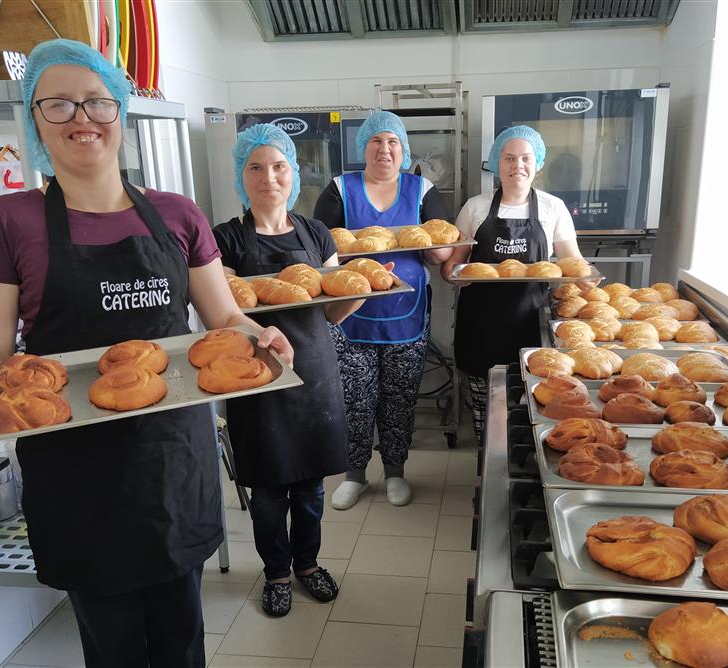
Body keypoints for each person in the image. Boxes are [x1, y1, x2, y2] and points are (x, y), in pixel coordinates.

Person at [0, 40, 293, 667]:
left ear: (120, 113)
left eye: (97, 102)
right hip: (73, 463)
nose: (81, 119)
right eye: (59, 104)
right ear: (34, 117)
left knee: (181, 633)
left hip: (171, 453)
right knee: (111, 640)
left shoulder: (177, 214)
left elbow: (221, 316)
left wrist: (262, 337)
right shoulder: (7, 220)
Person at [212, 124, 362, 616]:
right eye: (255, 167)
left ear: (293, 174)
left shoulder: (315, 233)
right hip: (255, 376)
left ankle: (308, 564)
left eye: (278, 167)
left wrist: (356, 293)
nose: (268, 177)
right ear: (242, 176)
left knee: (311, 484)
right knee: (269, 487)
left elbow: (331, 311)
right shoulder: (227, 239)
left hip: (315, 369)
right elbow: (223, 314)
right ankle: (276, 571)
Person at [313, 111, 452, 509]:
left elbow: (438, 248)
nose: (385, 149)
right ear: (364, 147)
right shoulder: (341, 188)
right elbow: (323, 252)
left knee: (400, 398)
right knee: (355, 399)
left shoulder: (422, 189)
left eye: (393, 142)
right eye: (377, 141)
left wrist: (442, 251)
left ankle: (395, 471)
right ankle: (354, 474)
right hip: (350, 316)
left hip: (407, 315)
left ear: (403, 150)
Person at [442, 125, 593, 443]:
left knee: (529, 405)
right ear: (498, 163)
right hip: (480, 325)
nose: (517, 165)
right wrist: (457, 276)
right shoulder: (476, 207)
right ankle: (486, 464)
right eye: (509, 158)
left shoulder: (553, 208)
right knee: (485, 409)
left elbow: (571, 262)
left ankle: (519, 467)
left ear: (537, 163)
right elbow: (452, 266)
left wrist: (590, 286)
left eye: (525, 158)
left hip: (530, 326)